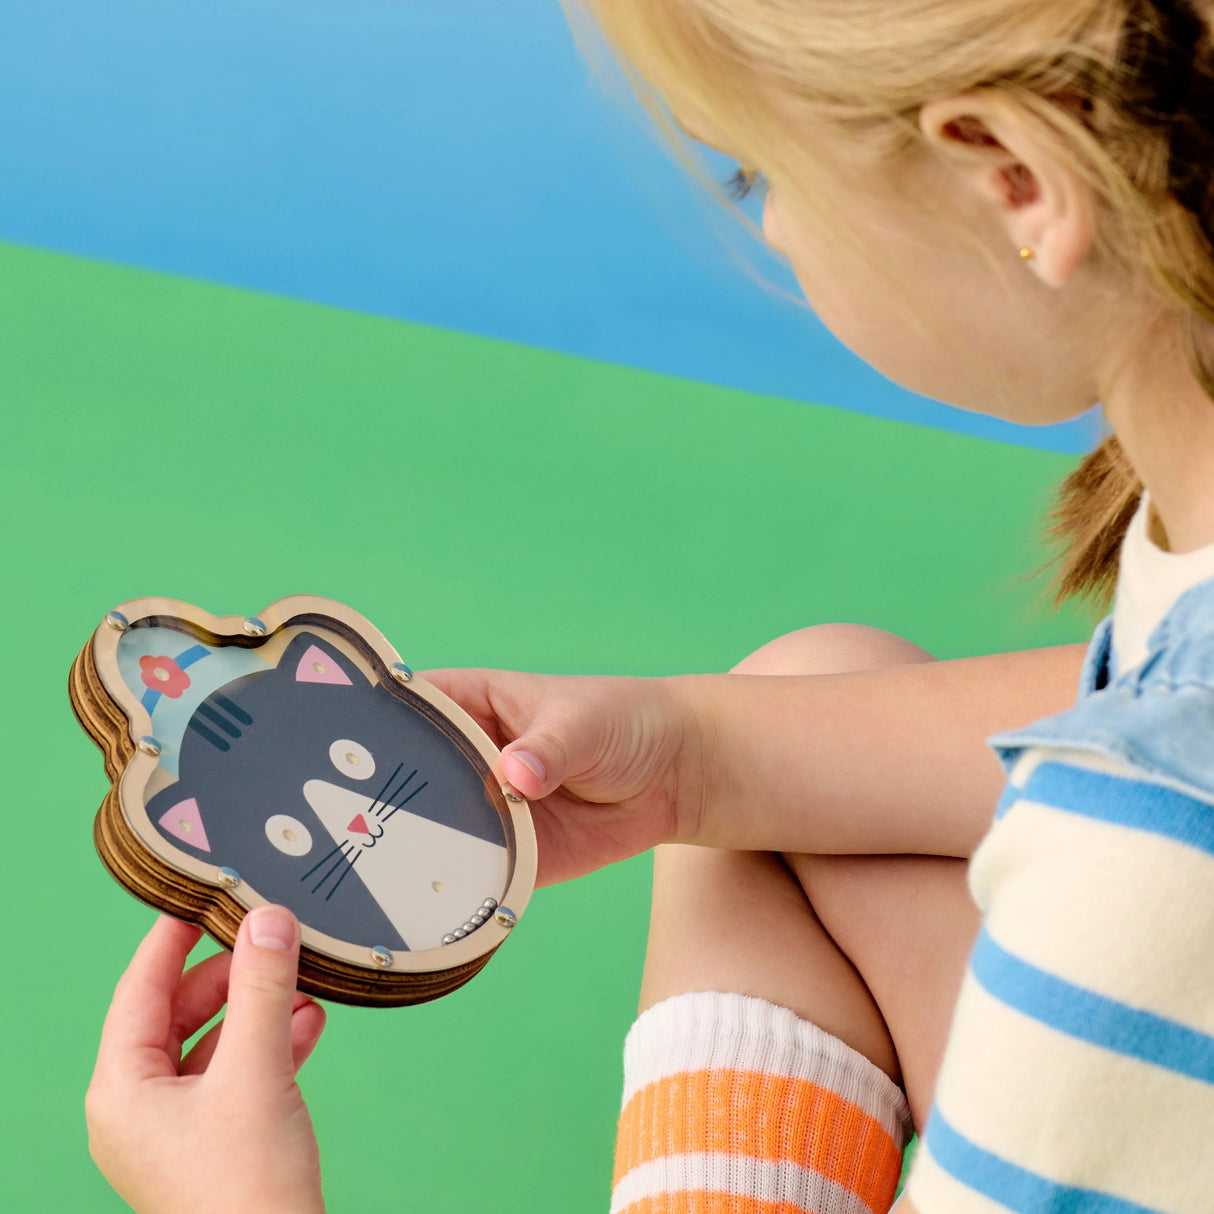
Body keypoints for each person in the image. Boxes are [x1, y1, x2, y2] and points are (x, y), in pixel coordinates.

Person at [85, 0, 1214, 1210]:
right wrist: (695, 760)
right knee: (809, 687)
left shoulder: (1137, 885)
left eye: (757, 171)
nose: (773, 225)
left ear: (1012, 178)